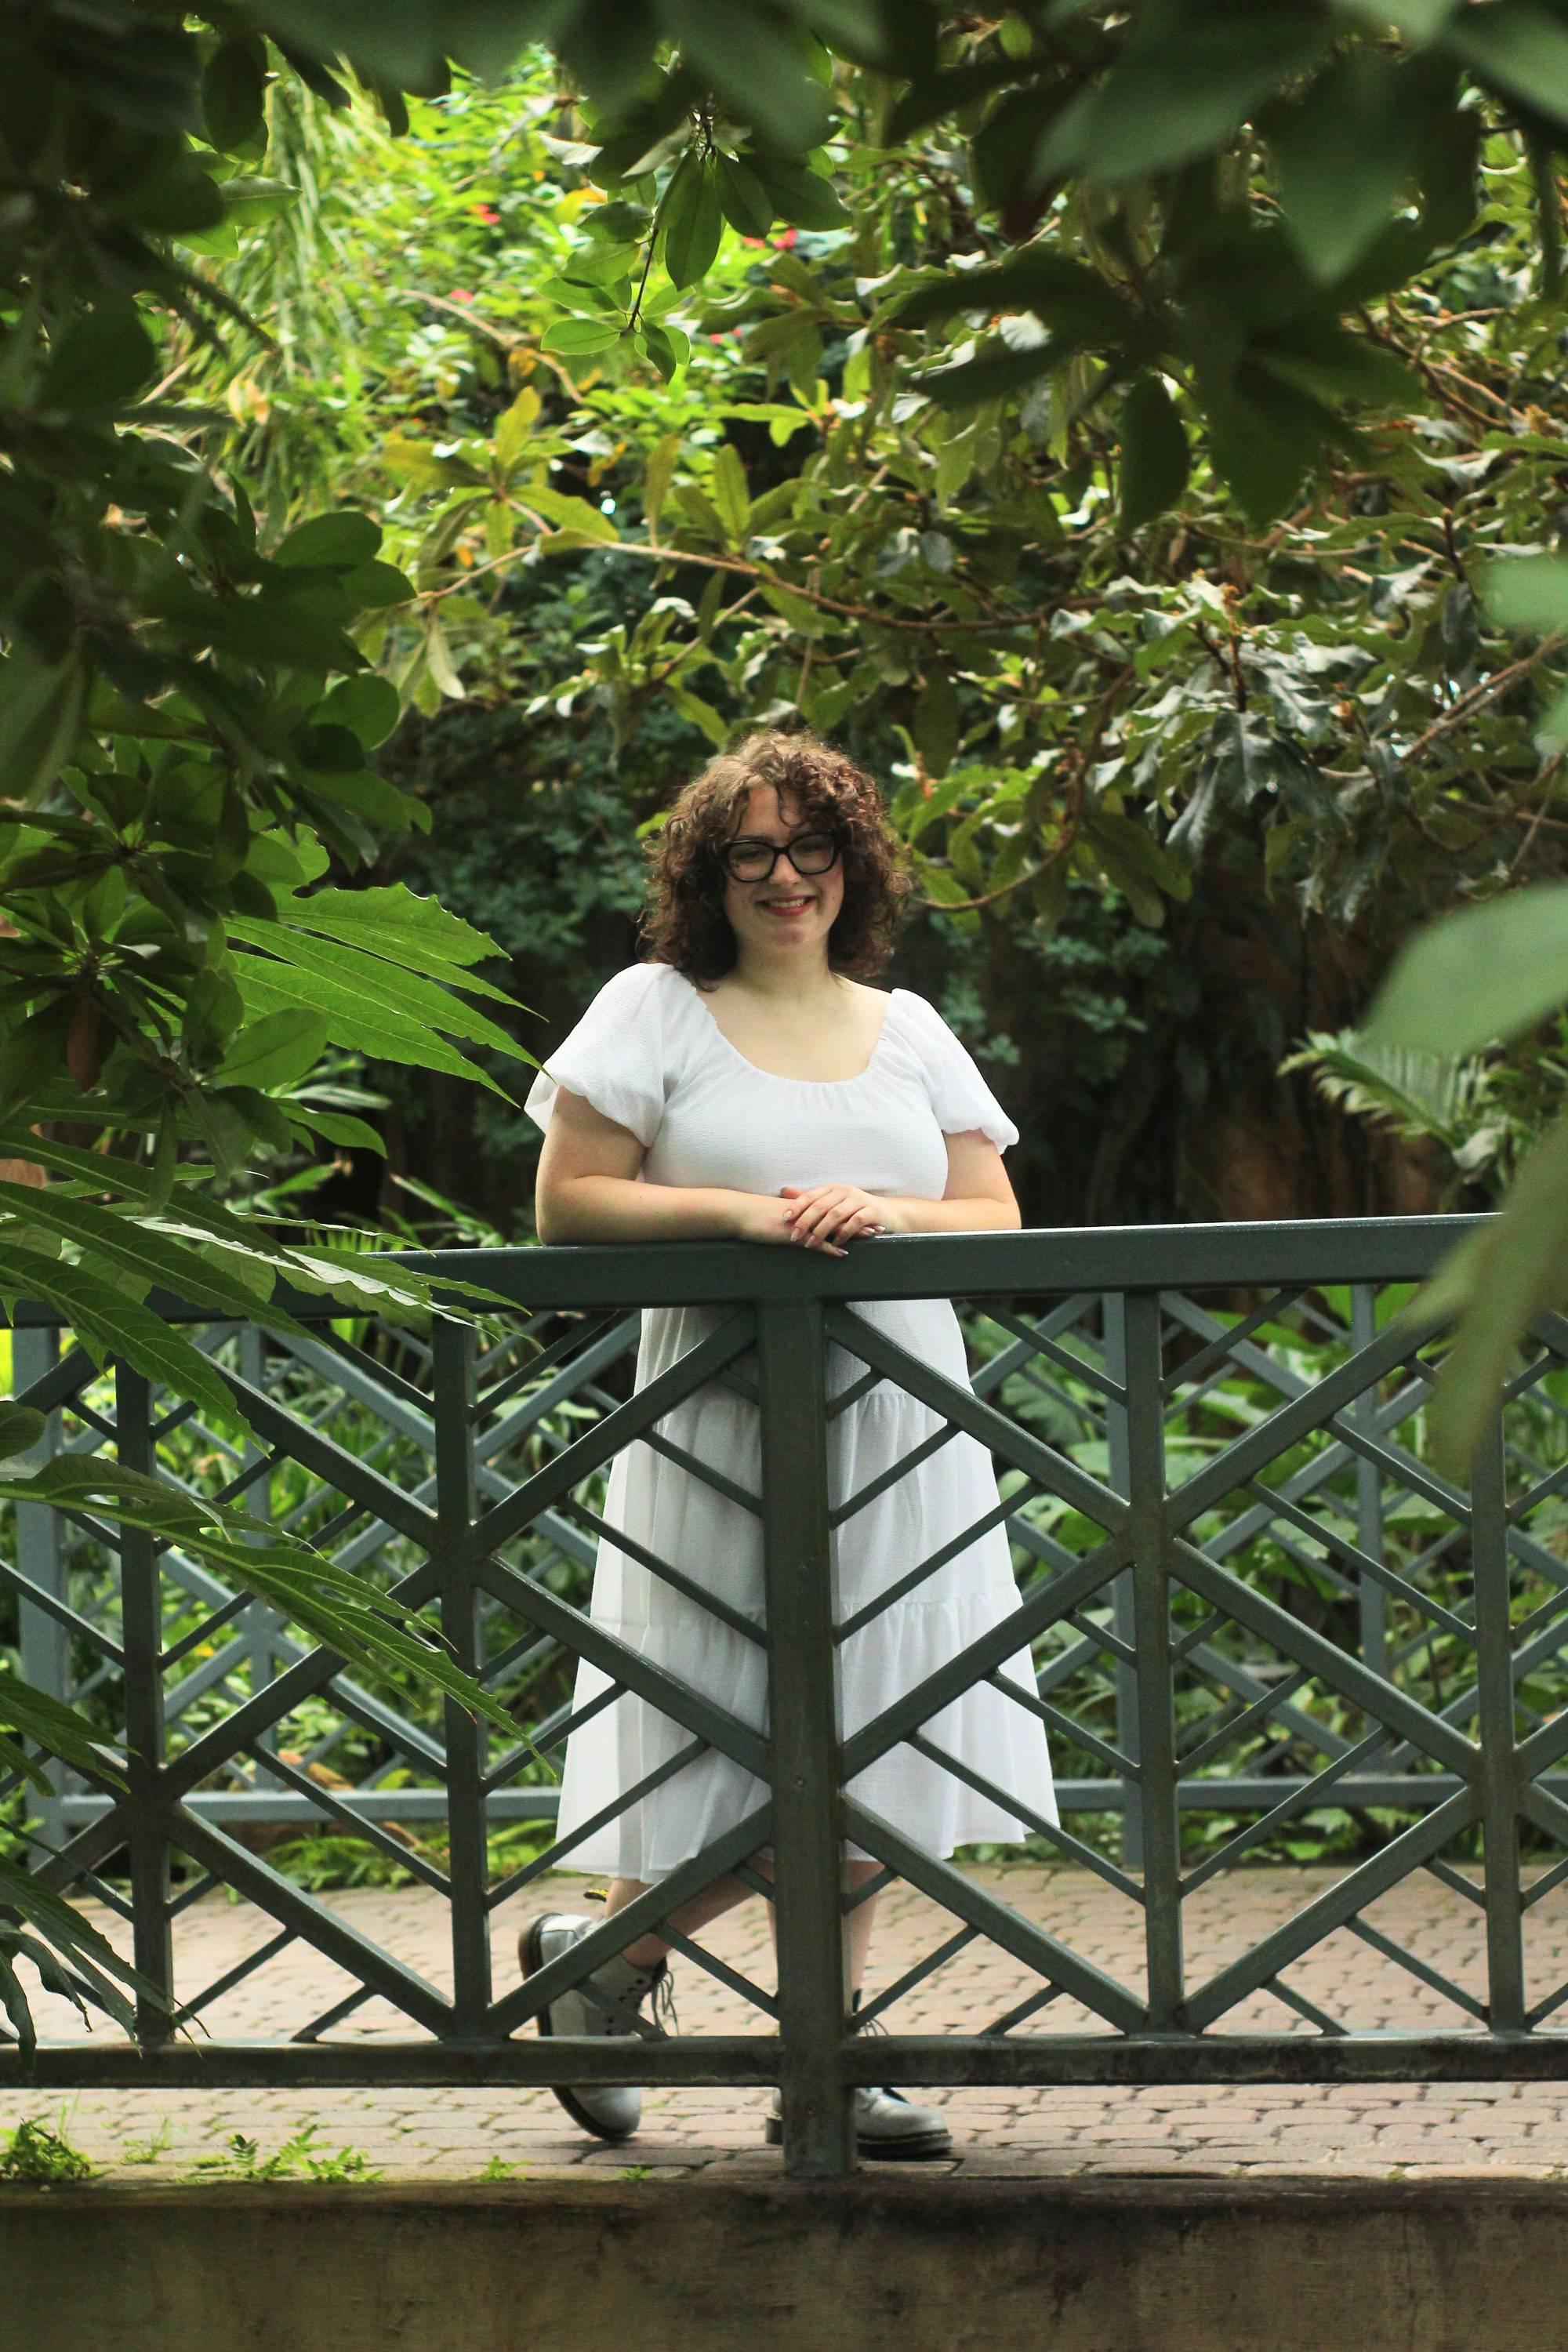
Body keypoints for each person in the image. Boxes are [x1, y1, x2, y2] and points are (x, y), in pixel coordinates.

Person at [518, 727, 1055, 2160]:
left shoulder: (914, 1026)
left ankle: (752, 2018)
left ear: (851, 864)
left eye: (810, 847)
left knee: (886, 1719)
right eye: (750, 851)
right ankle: (641, 1975)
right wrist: (755, 1220)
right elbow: (570, 1202)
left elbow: (989, 1217)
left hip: (901, 1423)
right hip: (713, 1421)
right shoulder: (653, 1009)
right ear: (711, 872)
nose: (783, 876)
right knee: (730, 1724)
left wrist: (871, 1215)